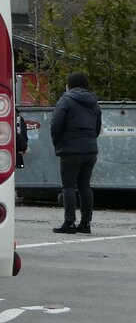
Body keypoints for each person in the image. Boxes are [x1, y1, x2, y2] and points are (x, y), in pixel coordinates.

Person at [50, 72, 102, 234]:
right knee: (85, 186)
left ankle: (69, 223)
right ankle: (86, 223)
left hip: (70, 149)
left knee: (68, 186)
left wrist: (58, 142)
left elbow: (56, 125)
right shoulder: (94, 102)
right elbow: (97, 127)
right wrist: (89, 140)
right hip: (89, 149)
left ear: (69, 84)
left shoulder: (66, 100)